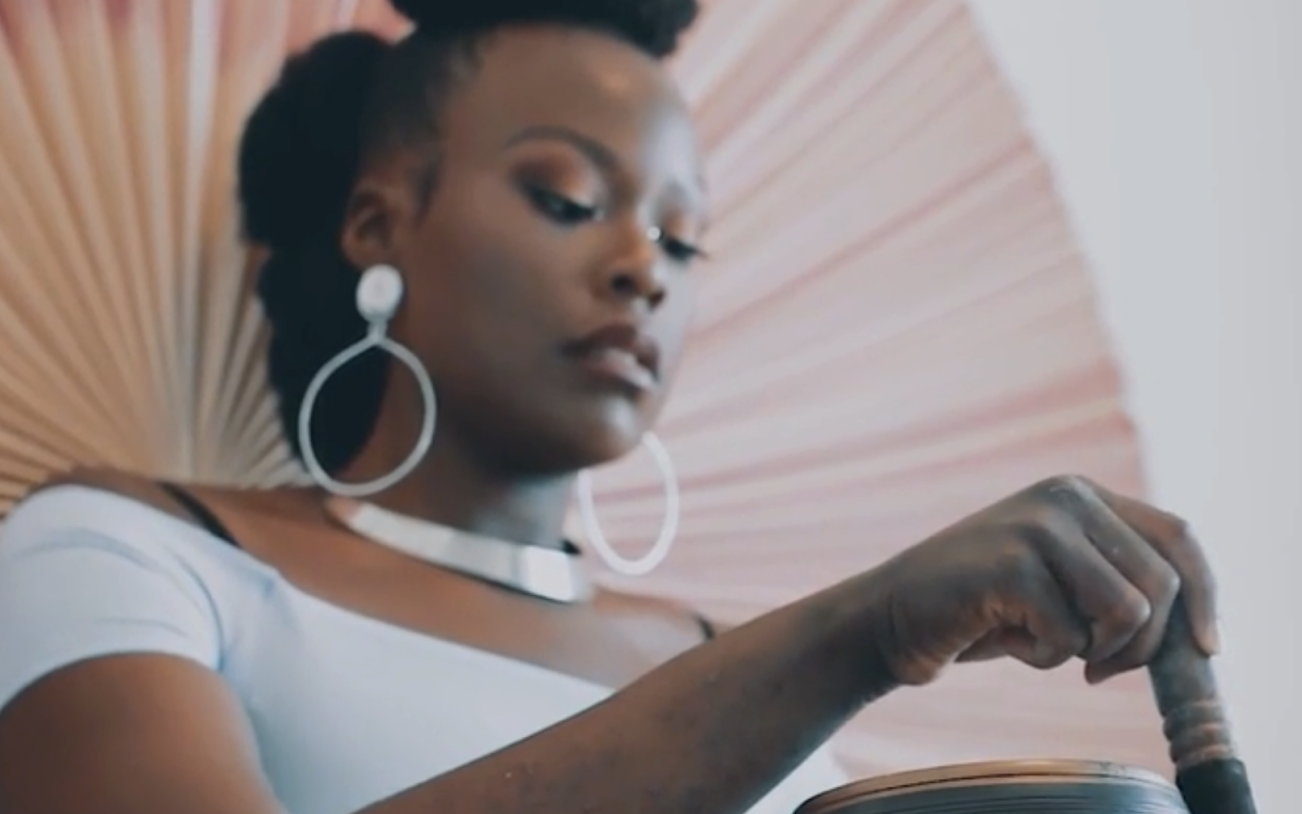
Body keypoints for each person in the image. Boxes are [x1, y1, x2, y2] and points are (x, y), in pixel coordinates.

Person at [0, 0, 1220, 813]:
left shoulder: (711, 657)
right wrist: (859, 633)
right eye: (571, 198)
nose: (643, 266)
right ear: (380, 222)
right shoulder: (125, 552)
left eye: (683, 244)